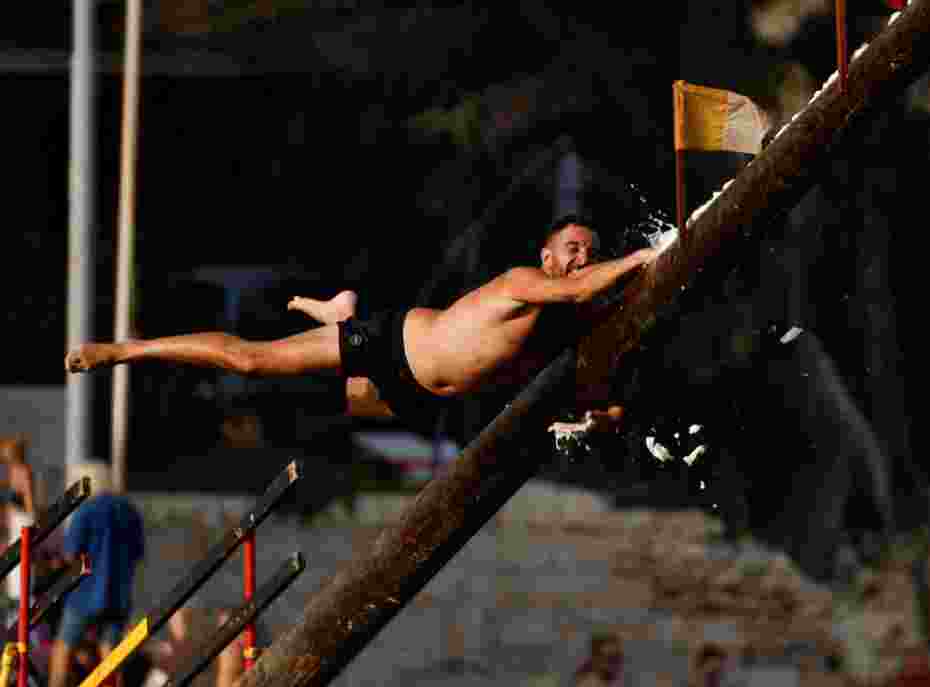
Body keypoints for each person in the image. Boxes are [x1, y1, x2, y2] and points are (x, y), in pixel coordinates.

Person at [65, 216, 651, 432]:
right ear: (548, 257)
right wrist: (646, 257)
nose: (582, 258)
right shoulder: (525, 281)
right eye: (573, 247)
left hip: (423, 397)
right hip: (392, 342)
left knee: (358, 407)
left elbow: (596, 383)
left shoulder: (564, 324)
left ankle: (341, 311)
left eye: (590, 251)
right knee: (251, 359)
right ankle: (125, 350)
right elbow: (580, 286)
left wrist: (603, 413)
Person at [48, 461, 146, 687]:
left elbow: (71, 554)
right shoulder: (130, 511)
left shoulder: (85, 510)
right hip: (118, 596)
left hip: (84, 594)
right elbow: (138, 554)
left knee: (64, 647)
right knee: (111, 655)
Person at [0, 436, 37, 605]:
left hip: (22, 520)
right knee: (14, 565)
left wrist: (32, 521)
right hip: (14, 521)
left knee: (22, 563)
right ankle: (16, 600)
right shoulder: (12, 471)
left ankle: (24, 600)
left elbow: (29, 501)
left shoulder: (24, 471)